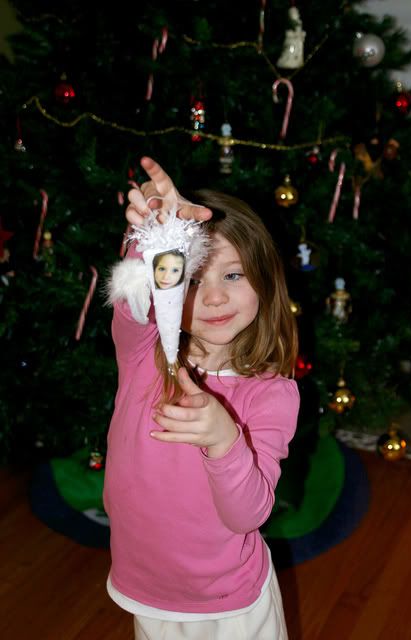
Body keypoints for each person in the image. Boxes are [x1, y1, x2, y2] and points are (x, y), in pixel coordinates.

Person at [104, 156, 300, 640]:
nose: (212, 298)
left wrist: (224, 440)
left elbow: (247, 514)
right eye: (192, 280)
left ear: (264, 281)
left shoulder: (272, 394)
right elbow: (135, 297)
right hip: (148, 589)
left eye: (232, 276)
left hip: (231, 604)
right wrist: (157, 235)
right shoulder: (144, 351)